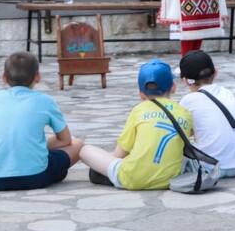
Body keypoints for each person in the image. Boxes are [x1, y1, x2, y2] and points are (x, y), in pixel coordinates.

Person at [0, 51, 83, 191]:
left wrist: (7, 145)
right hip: (36, 178)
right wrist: (35, 146)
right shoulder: (46, 101)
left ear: (4, 77)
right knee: (78, 143)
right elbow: (65, 140)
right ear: (37, 76)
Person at [80, 59, 192, 190]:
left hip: (133, 179)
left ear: (140, 93)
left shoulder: (138, 111)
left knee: (84, 150)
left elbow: (120, 153)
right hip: (170, 180)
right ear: (173, 87)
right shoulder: (185, 113)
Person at [177, 50, 235, 178]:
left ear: (186, 81)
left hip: (209, 169)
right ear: (215, 72)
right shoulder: (227, 93)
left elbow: (182, 133)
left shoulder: (188, 101)